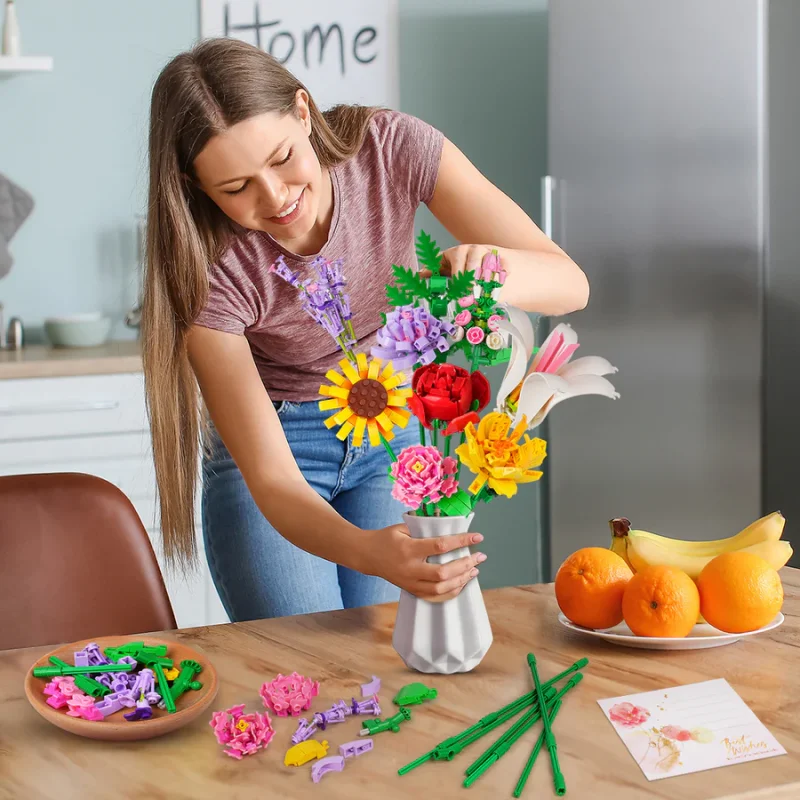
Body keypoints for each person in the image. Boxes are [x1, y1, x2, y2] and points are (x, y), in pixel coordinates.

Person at [142, 37, 589, 623]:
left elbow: (570, 284)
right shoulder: (204, 264)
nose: (275, 198)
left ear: (303, 112)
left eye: (281, 159)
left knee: (388, 670)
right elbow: (274, 481)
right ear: (196, 183)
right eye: (235, 188)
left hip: (389, 434)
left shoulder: (388, 148)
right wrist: (372, 553)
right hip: (281, 454)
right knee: (320, 674)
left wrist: (493, 275)